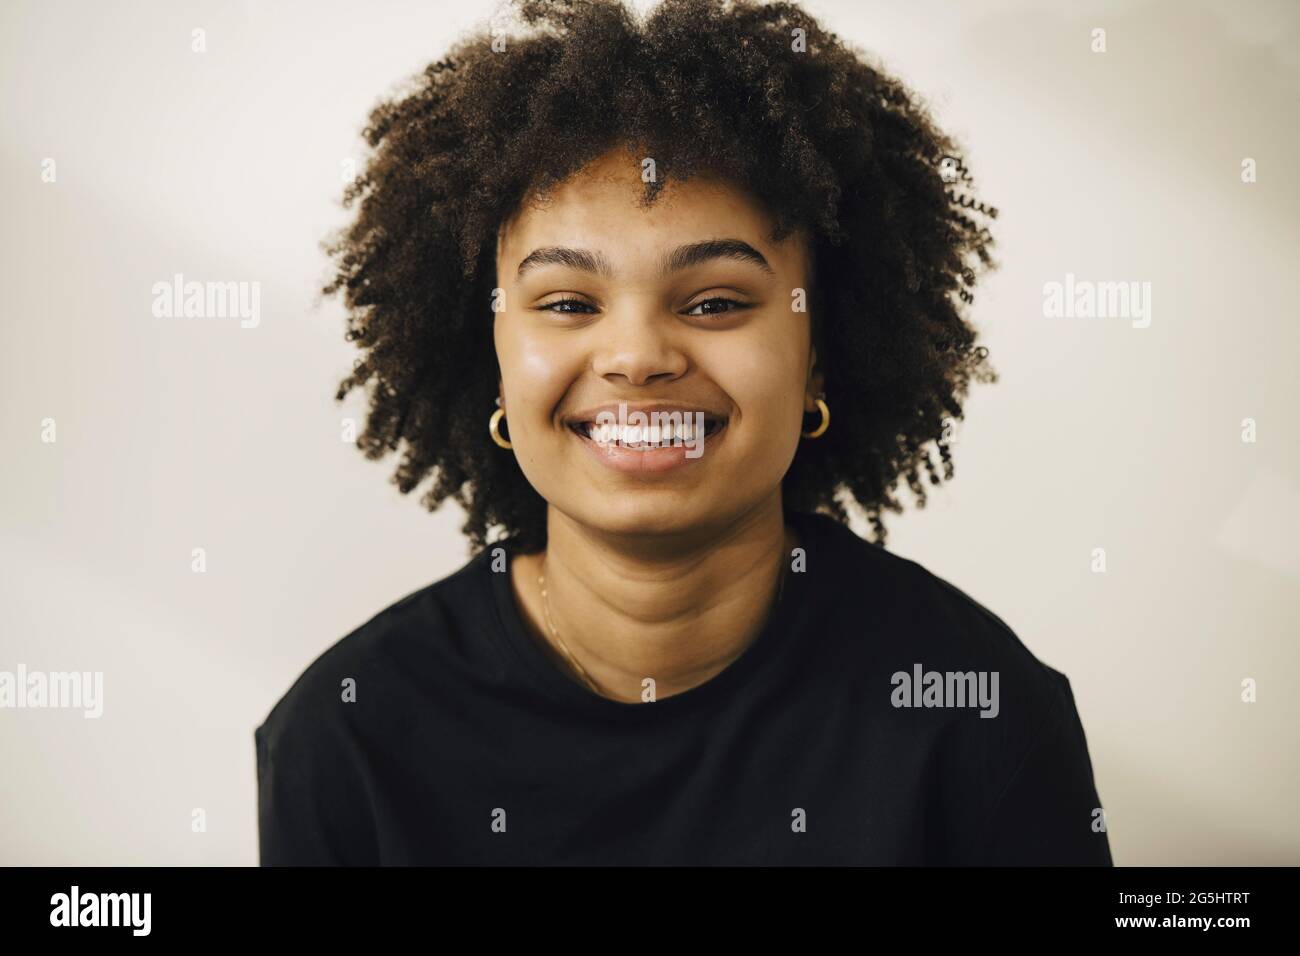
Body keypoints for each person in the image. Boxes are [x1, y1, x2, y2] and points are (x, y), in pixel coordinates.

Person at [255, 0, 1112, 865]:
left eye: (715, 302)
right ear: (493, 363)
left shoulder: (976, 708)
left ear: (821, 356)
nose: (636, 356)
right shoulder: (349, 732)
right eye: (566, 304)